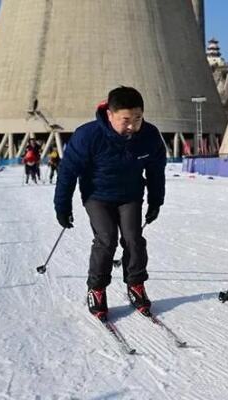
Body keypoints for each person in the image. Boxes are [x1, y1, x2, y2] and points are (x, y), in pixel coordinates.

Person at [54, 86, 166, 321]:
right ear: (110, 115)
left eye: (137, 118)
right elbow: (68, 172)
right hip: (98, 196)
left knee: (134, 239)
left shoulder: (149, 135)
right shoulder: (88, 136)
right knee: (106, 240)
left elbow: (156, 171)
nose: (132, 125)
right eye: (125, 120)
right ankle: (97, 289)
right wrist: (62, 206)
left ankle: (135, 284)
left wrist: (156, 201)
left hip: (130, 195)